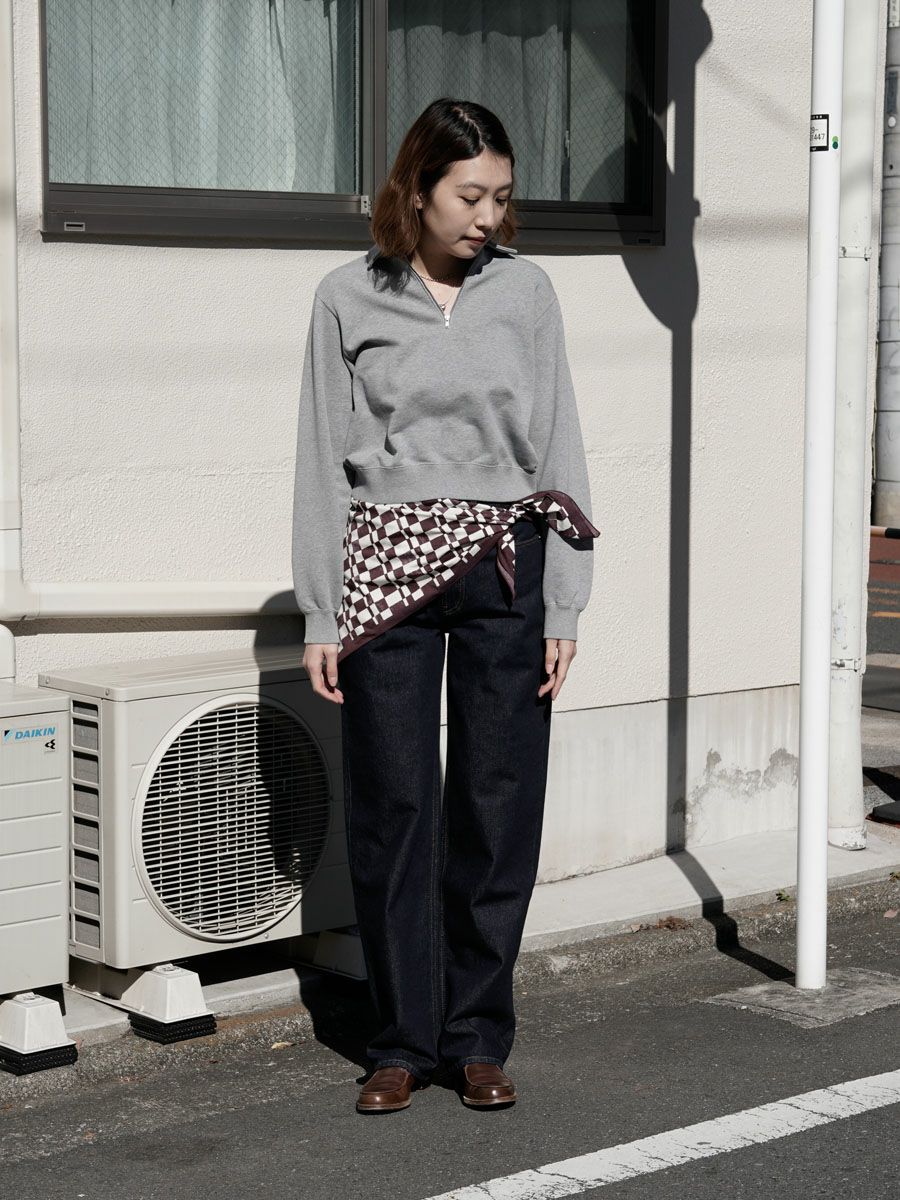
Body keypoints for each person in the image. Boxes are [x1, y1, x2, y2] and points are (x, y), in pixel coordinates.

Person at [292, 98, 599, 1114]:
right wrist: (322, 610)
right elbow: (320, 462)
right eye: (470, 195)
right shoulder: (347, 296)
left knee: (496, 803)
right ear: (416, 189)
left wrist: (566, 602)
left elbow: (559, 445)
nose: (487, 217)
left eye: (501, 197)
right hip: (385, 571)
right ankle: (399, 1041)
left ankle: (475, 1036)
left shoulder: (527, 292)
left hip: (506, 566)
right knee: (393, 806)